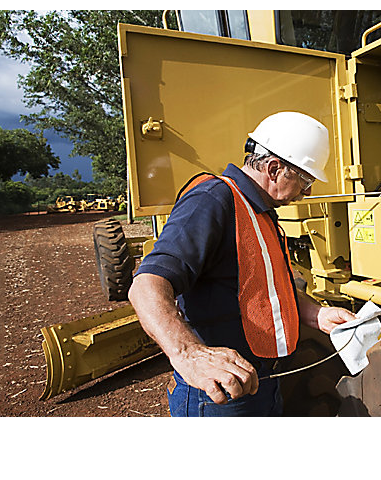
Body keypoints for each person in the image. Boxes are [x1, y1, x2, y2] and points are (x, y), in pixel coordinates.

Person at [128, 111, 356, 416]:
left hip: (263, 383)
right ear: (275, 169)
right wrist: (189, 354)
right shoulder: (212, 201)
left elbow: (270, 288)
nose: (308, 191)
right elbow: (146, 286)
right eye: (306, 179)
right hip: (221, 395)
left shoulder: (260, 211)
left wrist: (317, 315)